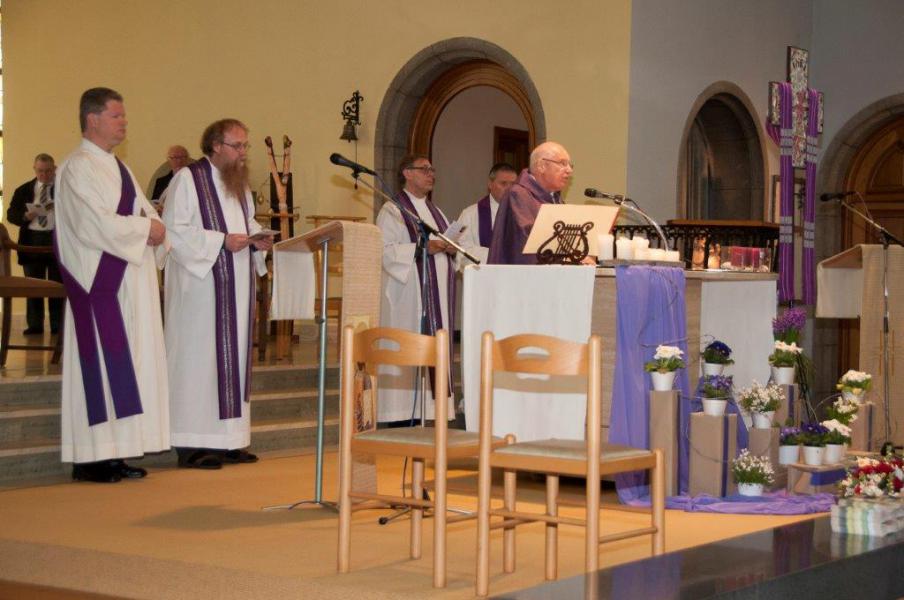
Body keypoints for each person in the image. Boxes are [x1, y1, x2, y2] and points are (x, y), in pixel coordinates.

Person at [55, 87, 170, 483]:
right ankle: (90, 458)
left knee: (127, 366)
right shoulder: (76, 168)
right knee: (102, 366)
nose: (124, 122)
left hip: (128, 277)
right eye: (117, 116)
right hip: (100, 283)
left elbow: (144, 208)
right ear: (93, 119)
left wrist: (156, 226)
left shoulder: (120, 168)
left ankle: (116, 451)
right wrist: (146, 228)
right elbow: (93, 224)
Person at [162, 118, 272, 470]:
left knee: (232, 360)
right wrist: (221, 241)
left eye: (245, 146)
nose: (243, 154)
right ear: (215, 146)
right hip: (200, 289)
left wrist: (259, 239)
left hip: (236, 285)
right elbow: (175, 231)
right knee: (199, 361)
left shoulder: (237, 184)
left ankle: (229, 441)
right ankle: (192, 443)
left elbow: (248, 223)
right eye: (237, 146)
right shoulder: (187, 180)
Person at [376, 154, 456, 425]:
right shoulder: (392, 210)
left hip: (437, 298)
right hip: (409, 298)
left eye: (433, 169)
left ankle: (430, 413)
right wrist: (424, 248)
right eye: (424, 169)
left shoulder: (437, 212)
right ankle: (400, 415)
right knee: (409, 349)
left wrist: (450, 247)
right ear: (407, 173)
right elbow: (384, 252)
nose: (431, 174)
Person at [487, 142, 574, 265]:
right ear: (541, 166)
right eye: (562, 163)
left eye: (570, 165)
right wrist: (566, 258)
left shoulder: (555, 199)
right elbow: (526, 243)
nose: (569, 170)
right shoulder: (518, 195)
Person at [5, 153, 63, 334]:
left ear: (54, 169)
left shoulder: (63, 190)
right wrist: (25, 216)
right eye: (40, 171)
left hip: (55, 240)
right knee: (33, 285)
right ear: (34, 169)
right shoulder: (24, 190)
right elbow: (11, 215)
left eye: (48, 171)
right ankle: (35, 325)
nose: (44, 175)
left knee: (57, 285)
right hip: (31, 241)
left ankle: (57, 325)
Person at [455, 162, 517, 269]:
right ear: (490, 184)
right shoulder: (469, 214)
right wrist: (497, 254)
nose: (509, 188)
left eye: (513, 184)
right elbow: (460, 249)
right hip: (483, 278)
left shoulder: (524, 214)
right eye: (503, 183)